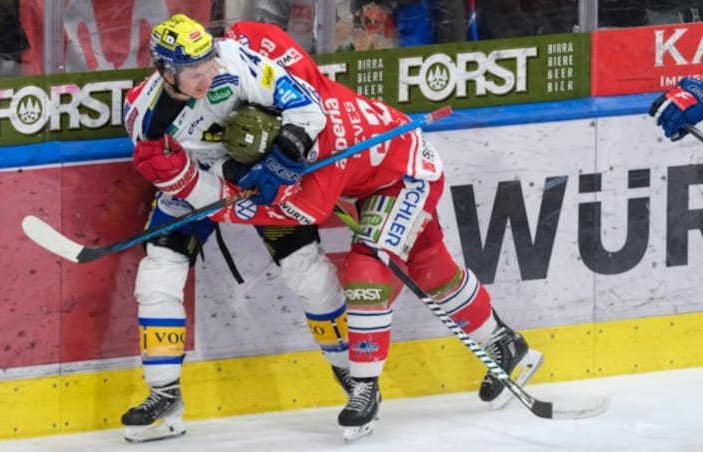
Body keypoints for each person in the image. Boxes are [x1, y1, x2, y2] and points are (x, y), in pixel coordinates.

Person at [134, 17, 543, 440]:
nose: (208, 76)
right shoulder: (253, 97)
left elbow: (276, 204)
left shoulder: (306, 146)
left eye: (209, 68)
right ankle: (504, 343)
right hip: (353, 169)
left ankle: (363, 386)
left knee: (365, 272)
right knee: (429, 265)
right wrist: (192, 178)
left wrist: (217, 187)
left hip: (405, 174)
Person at [120, 14, 353, 443]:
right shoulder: (142, 116)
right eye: (194, 71)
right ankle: (164, 396)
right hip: (197, 185)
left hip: (258, 175)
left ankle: (353, 375)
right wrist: (212, 191)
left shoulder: (233, 60)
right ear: (166, 72)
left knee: (307, 269)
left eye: (208, 61)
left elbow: (308, 105)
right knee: (157, 275)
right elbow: (178, 180)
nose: (208, 73)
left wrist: (286, 153)